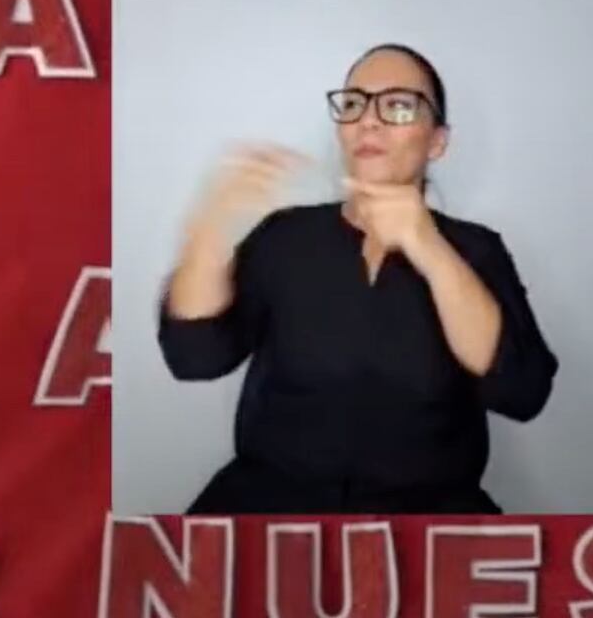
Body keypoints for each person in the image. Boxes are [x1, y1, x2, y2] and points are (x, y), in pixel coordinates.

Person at [156, 42, 557, 514]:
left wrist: (429, 247)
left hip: (431, 515)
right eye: (354, 103)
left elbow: (522, 392)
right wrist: (207, 234)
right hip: (269, 504)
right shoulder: (284, 236)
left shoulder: (476, 250)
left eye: (399, 106)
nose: (370, 119)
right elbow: (194, 358)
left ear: (437, 141)